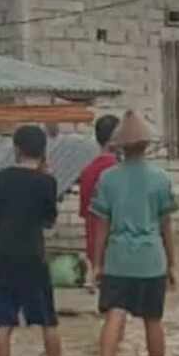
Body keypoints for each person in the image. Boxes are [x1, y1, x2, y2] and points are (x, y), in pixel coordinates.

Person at [90, 111, 179, 356]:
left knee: (114, 315)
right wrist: (172, 264)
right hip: (151, 261)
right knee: (153, 319)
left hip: (118, 260)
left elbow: (101, 226)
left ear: (120, 146)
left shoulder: (107, 179)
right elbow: (166, 226)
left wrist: (97, 264)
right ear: (146, 145)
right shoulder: (161, 179)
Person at [0, 125, 62, 356]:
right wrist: (46, 177)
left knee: (3, 323)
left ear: (16, 149)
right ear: (43, 151)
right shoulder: (47, 182)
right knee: (48, 320)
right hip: (34, 256)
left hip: (5, 257)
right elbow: (49, 223)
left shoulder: (1, 178)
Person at [78, 114, 120, 270]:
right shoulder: (121, 171)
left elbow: (85, 212)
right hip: (120, 250)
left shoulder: (87, 172)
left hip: (95, 251)